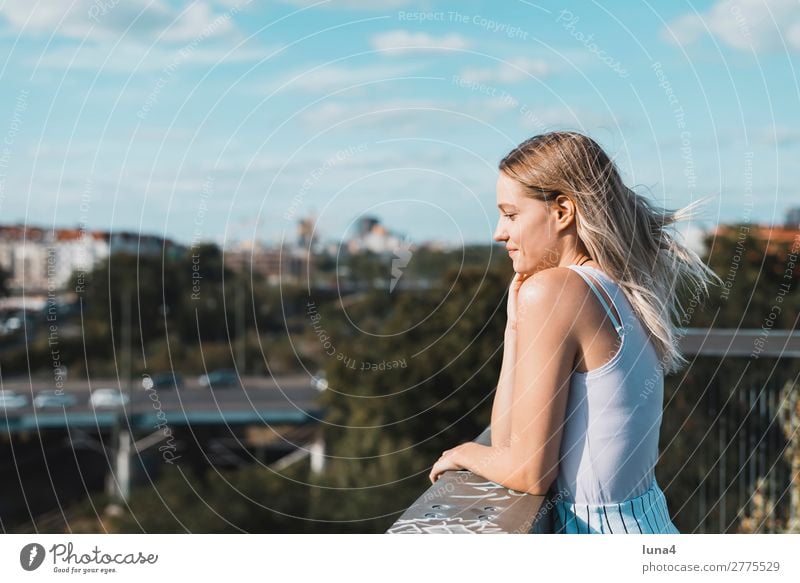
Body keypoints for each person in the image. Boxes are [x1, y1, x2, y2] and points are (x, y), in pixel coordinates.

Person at [428, 131, 722, 534]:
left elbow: (528, 472)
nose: (499, 232)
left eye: (511, 214)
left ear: (563, 210)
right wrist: (515, 323)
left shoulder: (557, 290)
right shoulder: (615, 286)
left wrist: (463, 453)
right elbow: (508, 439)